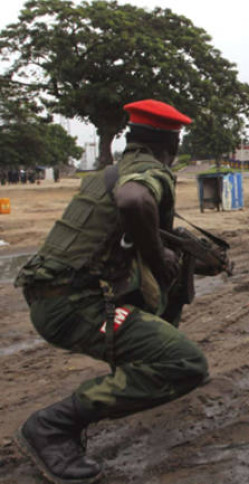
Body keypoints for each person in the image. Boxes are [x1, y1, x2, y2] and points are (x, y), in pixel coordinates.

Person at [14, 99, 210, 483]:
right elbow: (134, 201)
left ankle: (146, 362)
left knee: (161, 313)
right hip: (74, 305)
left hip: (53, 295)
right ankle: (52, 427)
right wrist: (159, 258)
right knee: (186, 364)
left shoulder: (110, 172)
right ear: (171, 143)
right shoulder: (148, 172)